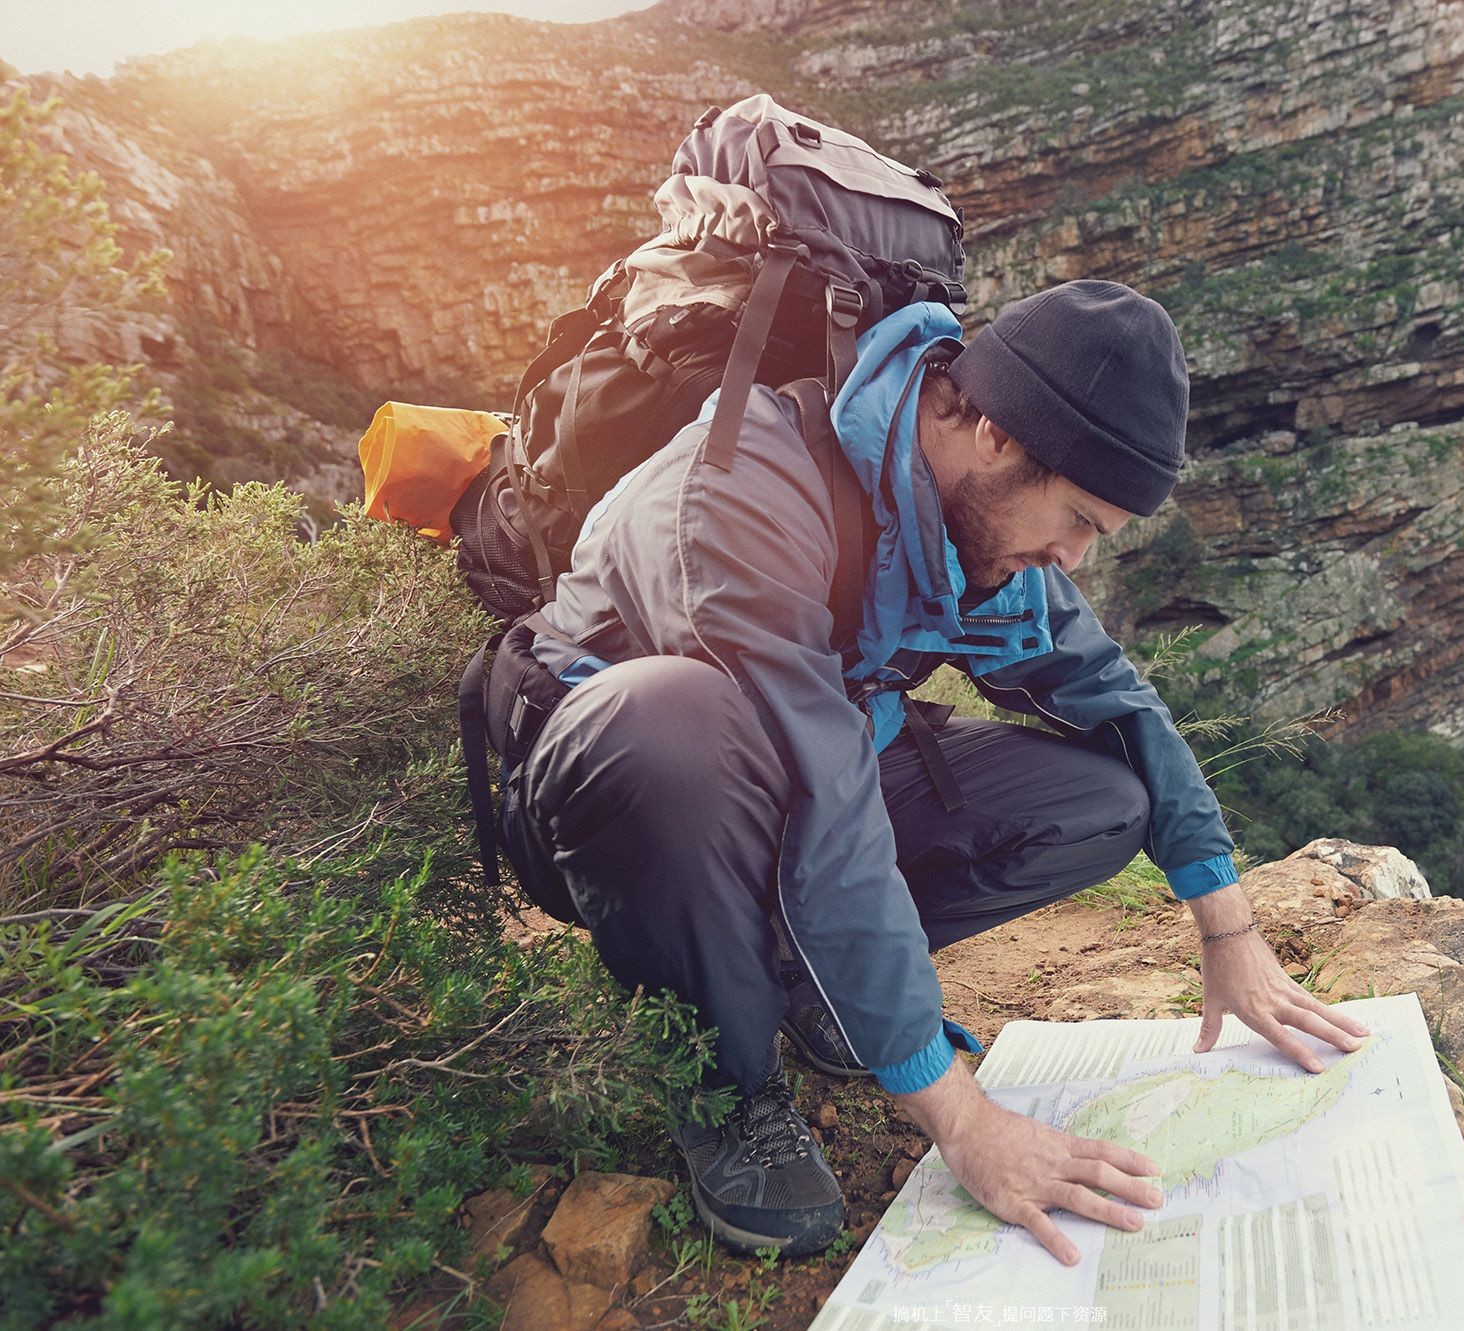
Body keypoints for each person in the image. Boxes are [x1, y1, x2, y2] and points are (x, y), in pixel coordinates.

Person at [497, 279, 1371, 1260]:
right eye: (1077, 517)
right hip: (613, 796)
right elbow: (826, 800)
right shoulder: (743, 492)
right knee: (669, 722)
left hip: (803, 767)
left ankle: (807, 981)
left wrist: (1226, 922)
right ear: (996, 436)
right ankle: (724, 1083)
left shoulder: (975, 524)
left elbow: (1111, 694)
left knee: (1101, 799)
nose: (1073, 557)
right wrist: (960, 1116)